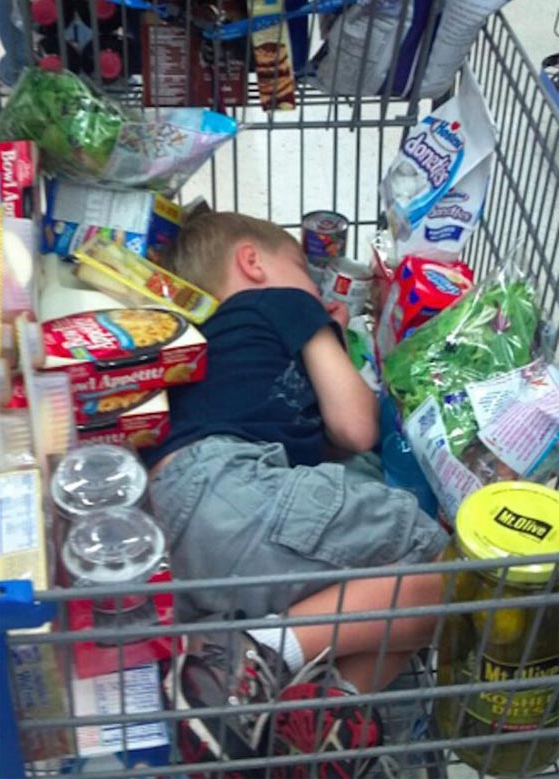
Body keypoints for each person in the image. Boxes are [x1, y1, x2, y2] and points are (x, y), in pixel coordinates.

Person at [146, 211, 448, 777]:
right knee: (443, 567)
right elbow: (356, 428)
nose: (315, 287)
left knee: (404, 605)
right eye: (306, 271)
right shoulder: (280, 304)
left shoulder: (219, 345)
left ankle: (314, 729)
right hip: (231, 486)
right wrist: (329, 336)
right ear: (253, 263)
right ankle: (259, 653)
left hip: (177, 534)